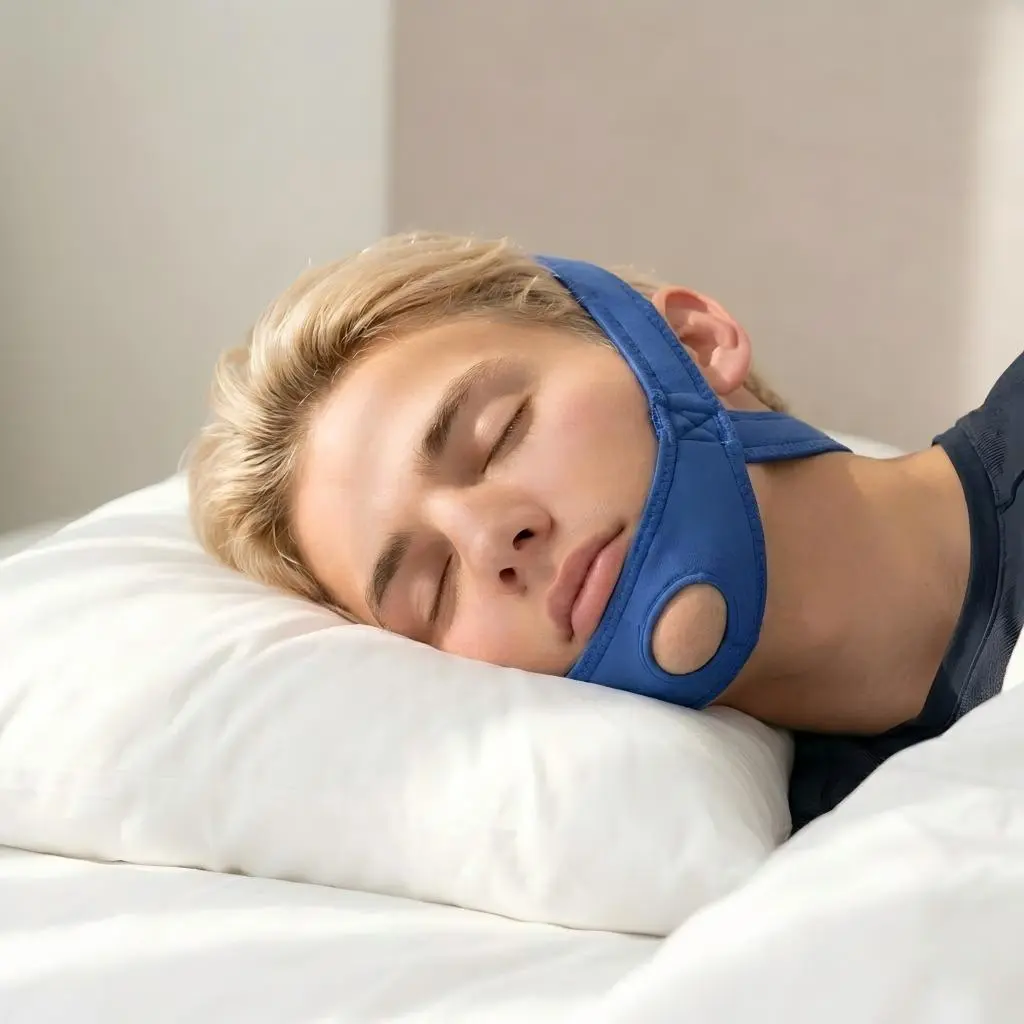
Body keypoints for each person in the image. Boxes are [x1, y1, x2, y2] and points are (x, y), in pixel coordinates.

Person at [188, 232, 1023, 830]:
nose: (487, 542)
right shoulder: (845, 868)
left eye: (498, 434)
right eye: (430, 589)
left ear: (694, 343)